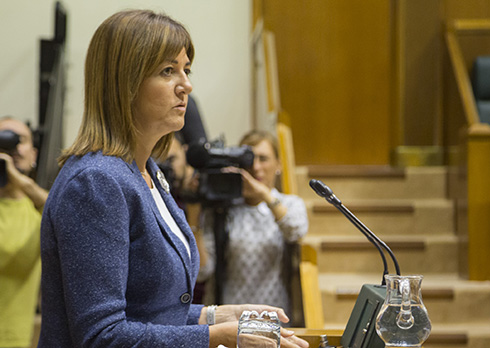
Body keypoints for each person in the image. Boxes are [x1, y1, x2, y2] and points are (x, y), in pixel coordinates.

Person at [37, 10, 308, 348]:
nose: (187, 85)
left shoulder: (146, 171)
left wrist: (217, 315)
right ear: (126, 82)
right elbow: (102, 337)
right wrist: (215, 336)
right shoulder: (95, 183)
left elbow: (151, 310)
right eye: (168, 71)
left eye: (186, 70)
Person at [201, 130, 309, 318]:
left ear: (278, 164)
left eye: (263, 159)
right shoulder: (223, 209)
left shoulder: (290, 204)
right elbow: (203, 270)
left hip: (275, 316)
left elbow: (296, 230)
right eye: (249, 160)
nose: (256, 167)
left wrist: (264, 194)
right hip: (231, 319)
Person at [0, 117, 48, 348]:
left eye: (20, 141)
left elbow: (67, 218)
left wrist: (22, 183)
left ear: (34, 156)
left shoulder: (39, 212)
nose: (12, 149)